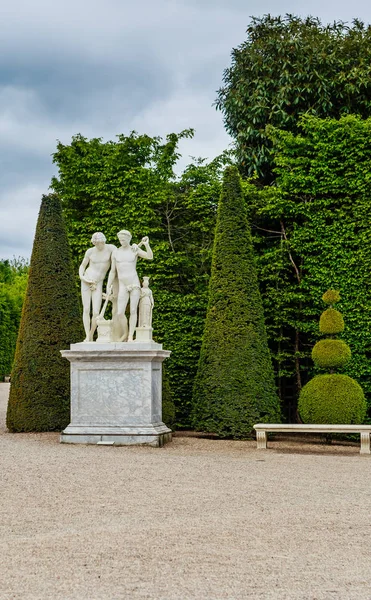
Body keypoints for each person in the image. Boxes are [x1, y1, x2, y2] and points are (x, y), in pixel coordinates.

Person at [106, 230, 153, 342]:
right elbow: (112, 271)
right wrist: (108, 285)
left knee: (133, 310)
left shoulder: (134, 250)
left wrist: (146, 245)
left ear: (129, 239)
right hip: (123, 285)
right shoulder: (116, 253)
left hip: (134, 283)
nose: (121, 241)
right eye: (120, 240)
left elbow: (150, 256)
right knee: (120, 312)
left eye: (124, 240)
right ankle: (126, 333)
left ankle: (130, 336)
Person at [79, 232, 116, 342]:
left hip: (98, 282)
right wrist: (83, 277)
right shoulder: (90, 251)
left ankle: (91, 334)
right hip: (87, 279)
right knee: (86, 309)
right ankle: (87, 336)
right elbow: (82, 265)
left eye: (99, 243)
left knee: (96, 312)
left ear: (103, 241)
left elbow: (119, 259)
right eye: (95, 243)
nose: (98, 245)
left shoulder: (111, 249)